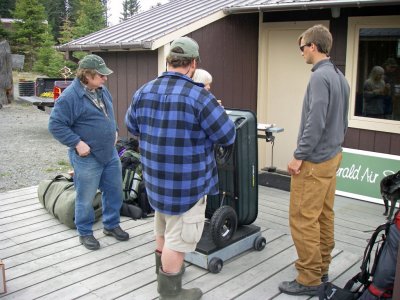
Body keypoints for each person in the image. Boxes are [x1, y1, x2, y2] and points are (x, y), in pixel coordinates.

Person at [125, 36, 236, 299]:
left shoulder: (143, 91)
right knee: (179, 239)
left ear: (169, 61)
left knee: (162, 230)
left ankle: (165, 273)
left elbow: (132, 126)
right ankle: (171, 293)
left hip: (155, 180)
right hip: (188, 185)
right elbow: (227, 134)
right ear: (193, 64)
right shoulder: (199, 96)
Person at [279, 24, 350, 296]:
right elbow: (343, 122)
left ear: (313, 46)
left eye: (302, 47)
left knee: (302, 218)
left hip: (314, 162)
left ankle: (308, 279)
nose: (301, 53)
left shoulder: (320, 77)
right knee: (323, 215)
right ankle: (321, 267)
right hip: (333, 157)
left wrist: (299, 155)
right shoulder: (339, 76)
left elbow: (315, 122)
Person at [48, 54, 129, 250]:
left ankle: (111, 225)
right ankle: (84, 232)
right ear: (87, 75)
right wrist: (76, 143)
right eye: (101, 75)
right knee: (85, 198)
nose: (105, 78)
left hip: (109, 153)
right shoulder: (70, 97)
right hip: (87, 158)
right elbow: (55, 125)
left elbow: (107, 115)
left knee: (115, 191)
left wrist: (115, 130)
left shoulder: (101, 90)